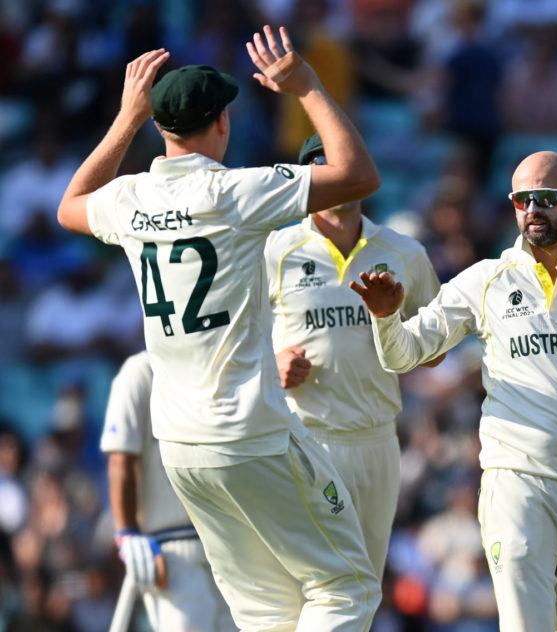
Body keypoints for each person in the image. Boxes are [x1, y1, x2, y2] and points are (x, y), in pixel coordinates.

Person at [56, 26, 383, 629]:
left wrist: (127, 118)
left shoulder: (128, 199)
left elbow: (69, 204)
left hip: (180, 445)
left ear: (160, 127)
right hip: (249, 432)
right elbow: (359, 175)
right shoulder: (237, 191)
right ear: (223, 123)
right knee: (348, 586)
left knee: (264, 610)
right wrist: (307, 86)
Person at [350, 150, 557, 631]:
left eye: (546, 197)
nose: (533, 208)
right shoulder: (485, 280)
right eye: (521, 198)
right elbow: (403, 355)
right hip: (516, 481)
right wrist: (385, 317)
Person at [266, 132, 443, 582]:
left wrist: (392, 322)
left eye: (345, 170)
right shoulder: (274, 251)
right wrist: (272, 365)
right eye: (325, 173)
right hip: (305, 437)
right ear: (309, 181)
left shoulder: (405, 254)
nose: (338, 183)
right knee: (317, 587)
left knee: (364, 586)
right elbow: (234, 339)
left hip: (379, 440)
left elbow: (435, 354)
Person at [101, 351, 237, 631]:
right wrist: (127, 533)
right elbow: (120, 459)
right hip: (173, 551)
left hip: (230, 542)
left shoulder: (216, 362)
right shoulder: (139, 372)